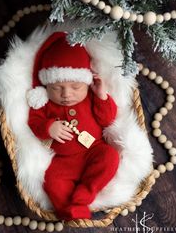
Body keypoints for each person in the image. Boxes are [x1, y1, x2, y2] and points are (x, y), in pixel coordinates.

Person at [27, 31, 119, 220]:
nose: (66, 94)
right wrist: (49, 127)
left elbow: (107, 119)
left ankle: (84, 195)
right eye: (56, 88)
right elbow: (34, 122)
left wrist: (102, 96)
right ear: (46, 86)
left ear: (86, 82)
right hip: (63, 160)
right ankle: (71, 210)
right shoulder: (44, 102)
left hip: (94, 150)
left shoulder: (91, 97)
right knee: (52, 182)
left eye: (75, 87)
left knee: (110, 157)